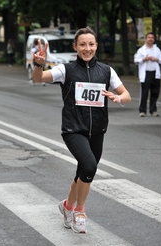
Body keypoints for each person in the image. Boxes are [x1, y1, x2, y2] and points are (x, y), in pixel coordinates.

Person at [32, 26, 131, 234]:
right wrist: (38, 65)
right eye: (83, 45)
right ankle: (79, 210)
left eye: (91, 44)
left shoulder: (106, 71)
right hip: (73, 129)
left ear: (96, 46)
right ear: (75, 46)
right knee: (89, 166)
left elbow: (126, 95)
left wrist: (118, 98)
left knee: (83, 171)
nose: (87, 48)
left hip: (97, 130)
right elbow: (38, 79)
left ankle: (67, 206)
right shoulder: (65, 69)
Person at [134, 32, 161, 117]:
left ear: (154, 39)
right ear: (146, 39)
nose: (150, 39)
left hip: (155, 73)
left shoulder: (156, 49)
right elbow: (136, 60)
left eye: (152, 38)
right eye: (149, 37)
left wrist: (156, 59)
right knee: (144, 92)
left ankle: (153, 110)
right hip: (146, 73)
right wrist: (144, 59)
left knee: (155, 92)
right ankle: (142, 110)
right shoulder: (142, 50)